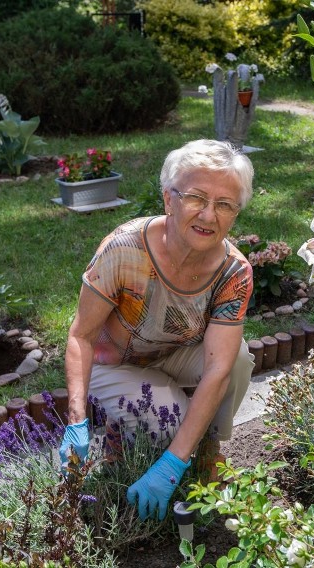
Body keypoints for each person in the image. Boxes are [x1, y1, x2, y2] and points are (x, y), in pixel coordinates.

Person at [60, 139, 256, 521]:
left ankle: (208, 456)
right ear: (169, 200)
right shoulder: (124, 249)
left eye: (224, 205)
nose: (209, 216)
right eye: (197, 198)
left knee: (238, 361)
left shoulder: (234, 272)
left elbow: (217, 369)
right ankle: (119, 434)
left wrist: (175, 462)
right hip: (112, 364)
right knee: (174, 419)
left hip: (175, 355)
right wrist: (77, 421)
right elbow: (80, 336)